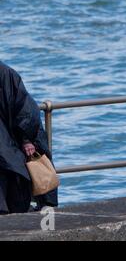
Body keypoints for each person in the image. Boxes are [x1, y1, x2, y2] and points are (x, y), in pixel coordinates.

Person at [0, 61, 58, 214]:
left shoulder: (5, 74)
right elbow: (26, 110)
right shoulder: (7, 74)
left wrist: (25, 139)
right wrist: (26, 138)